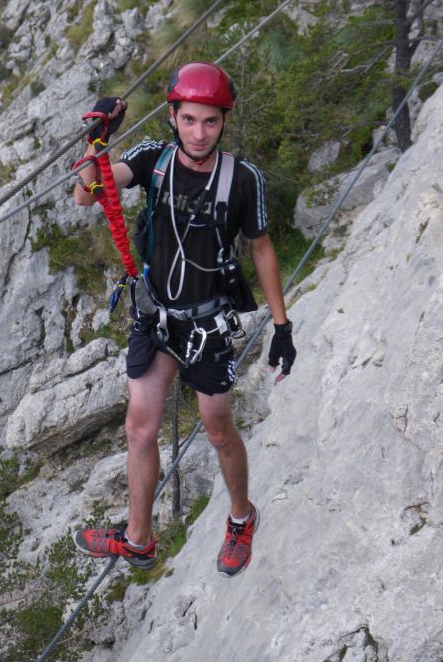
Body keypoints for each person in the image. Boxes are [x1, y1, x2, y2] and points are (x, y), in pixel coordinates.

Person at [72, 61, 296, 577]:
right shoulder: (154, 160)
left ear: (223, 122)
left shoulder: (243, 180)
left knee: (218, 431)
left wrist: (282, 327)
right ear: (173, 116)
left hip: (207, 325)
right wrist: (97, 141)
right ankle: (139, 540)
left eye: (211, 121)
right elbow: (87, 194)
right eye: (190, 119)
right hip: (157, 318)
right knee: (138, 429)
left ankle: (241, 517)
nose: (199, 133)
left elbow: (261, 249)